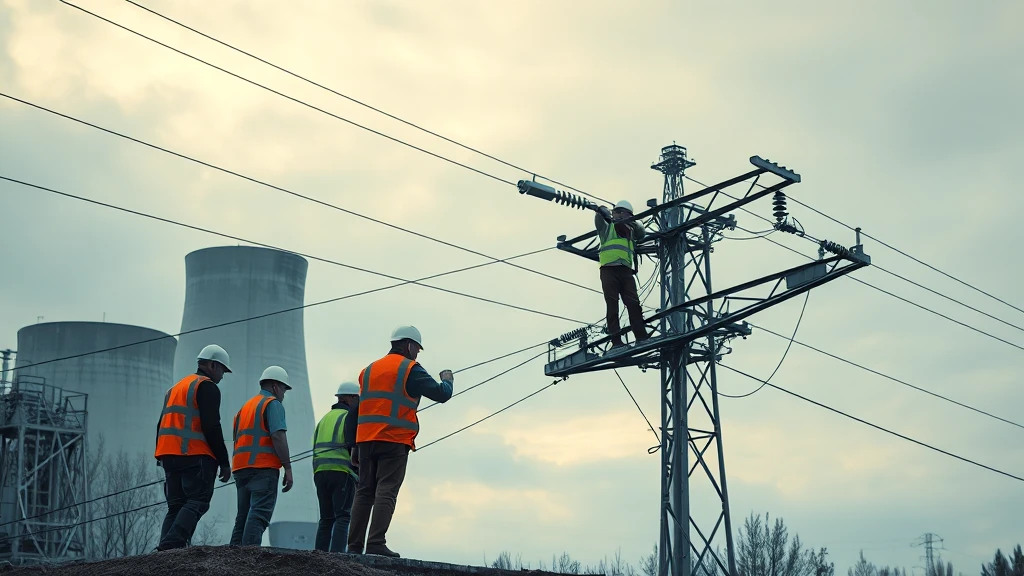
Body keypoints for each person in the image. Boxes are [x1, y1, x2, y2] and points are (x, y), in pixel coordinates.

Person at [347, 325, 454, 558]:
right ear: (408, 345)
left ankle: (353, 547)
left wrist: (354, 445)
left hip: (365, 440)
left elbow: (357, 409)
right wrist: (447, 380)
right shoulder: (410, 369)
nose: (417, 354)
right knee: (386, 489)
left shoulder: (368, 370)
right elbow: (441, 394)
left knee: (364, 491)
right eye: (417, 349)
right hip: (393, 439)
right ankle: (375, 543)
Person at [153, 344, 233, 551]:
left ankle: (165, 551)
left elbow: (160, 424)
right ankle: (171, 546)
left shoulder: (175, 389)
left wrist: (160, 455)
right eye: (222, 370)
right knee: (198, 500)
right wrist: (224, 462)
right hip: (194, 455)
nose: (222, 376)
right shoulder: (207, 387)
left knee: (176, 506)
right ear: (213, 365)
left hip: (168, 455)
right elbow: (211, 425)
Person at [229, 365, 293, 546]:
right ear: (275, 386)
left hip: (241, 469)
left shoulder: (245, 408)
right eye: (283, 389)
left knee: (242, 517)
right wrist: (288, 468)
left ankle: (232, 557)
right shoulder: (272, 404)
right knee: (259, 515)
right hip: (263, 469)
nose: (283, 394)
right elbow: (278, 436)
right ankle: (248, 557)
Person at [312, 381, 360, 552]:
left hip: (320, 473)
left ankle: (319, 556)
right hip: (342, 472)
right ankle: (338, 557)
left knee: (326, 518)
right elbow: (353, 447)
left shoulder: (324, 419)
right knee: (343, 517)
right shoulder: (349, 418)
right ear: (351, 398)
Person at [594, 199, 649, 348]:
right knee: (612, 306)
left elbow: (641, 233)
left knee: (633, 304)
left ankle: (641, 337)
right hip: (609, 270)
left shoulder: (630, 232)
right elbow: (599, 220)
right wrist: (600, 210)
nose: (621, 216)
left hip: (625, 271)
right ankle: (616, 342)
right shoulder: (607, 228)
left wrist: (633, 223)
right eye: (619, 213)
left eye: (625, 214)